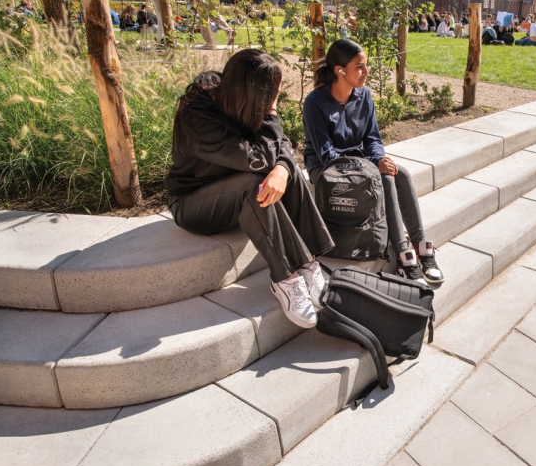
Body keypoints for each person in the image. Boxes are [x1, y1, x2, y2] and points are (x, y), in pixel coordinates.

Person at [166, 49, 334, 328]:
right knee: (255, 184)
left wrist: (281, 168)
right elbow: (257, 159)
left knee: (286, 168)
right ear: (256, 94)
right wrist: (271, 112)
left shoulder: (238, 99)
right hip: (193, 203)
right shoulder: (197, 117)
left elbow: (282, 146)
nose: (275, 100)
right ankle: (286, 279)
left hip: (235, 191)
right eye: (272, 95)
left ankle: (308, 263)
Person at [302, 39, 444, 286]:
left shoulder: (364, 95)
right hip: (326, 168)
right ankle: (402, 254)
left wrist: (378, 158)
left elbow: (372, 138)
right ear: (340, 70)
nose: (366, 72)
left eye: (366, 66)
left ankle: (421, 247)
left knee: (402, 174)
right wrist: (371, 167)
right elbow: (325, 155)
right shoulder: (315, 103)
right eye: (360, 67)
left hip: (358, 160)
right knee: (384, 179)